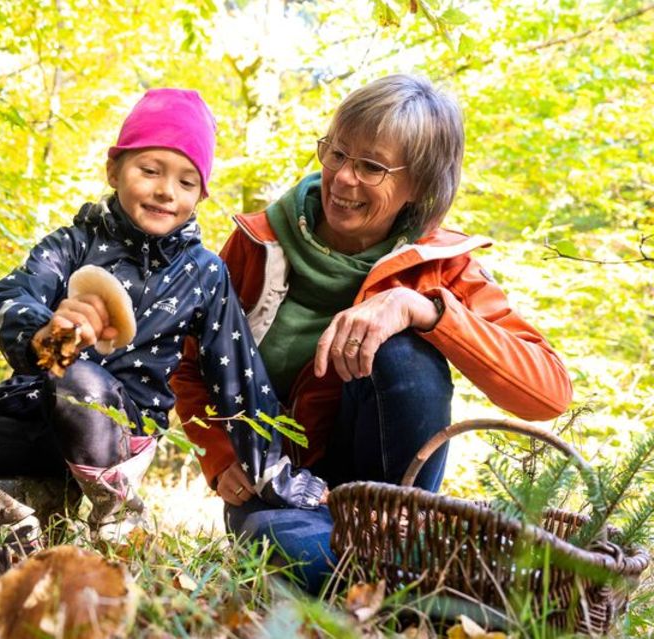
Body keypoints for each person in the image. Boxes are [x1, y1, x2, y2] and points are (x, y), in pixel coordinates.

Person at [0, 88, 323, 544]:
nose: (165, 192)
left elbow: (238, 373)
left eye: (185, 180)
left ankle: (116, 515)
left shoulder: (204, 274)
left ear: (201, 196)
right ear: (115, 169)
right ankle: (22, 505)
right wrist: (48, 334)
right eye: (150, 170)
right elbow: (10, 296)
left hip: (114, 432)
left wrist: (271, 469)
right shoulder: (72, 244)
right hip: (28, 417)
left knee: (79, 383)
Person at [171, 74, 573, 593]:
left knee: (405, 350)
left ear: (420, 186)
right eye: (336, 154)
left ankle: (399, 552)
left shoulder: (440, 267)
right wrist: (221, 456)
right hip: (282, 489)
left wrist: (422, 309)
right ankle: (411, 584)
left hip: (388, 500)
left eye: (371, 167)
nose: (342, 179)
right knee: (302, 558)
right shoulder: (256, 243)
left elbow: (549, 393)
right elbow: (189, 364)